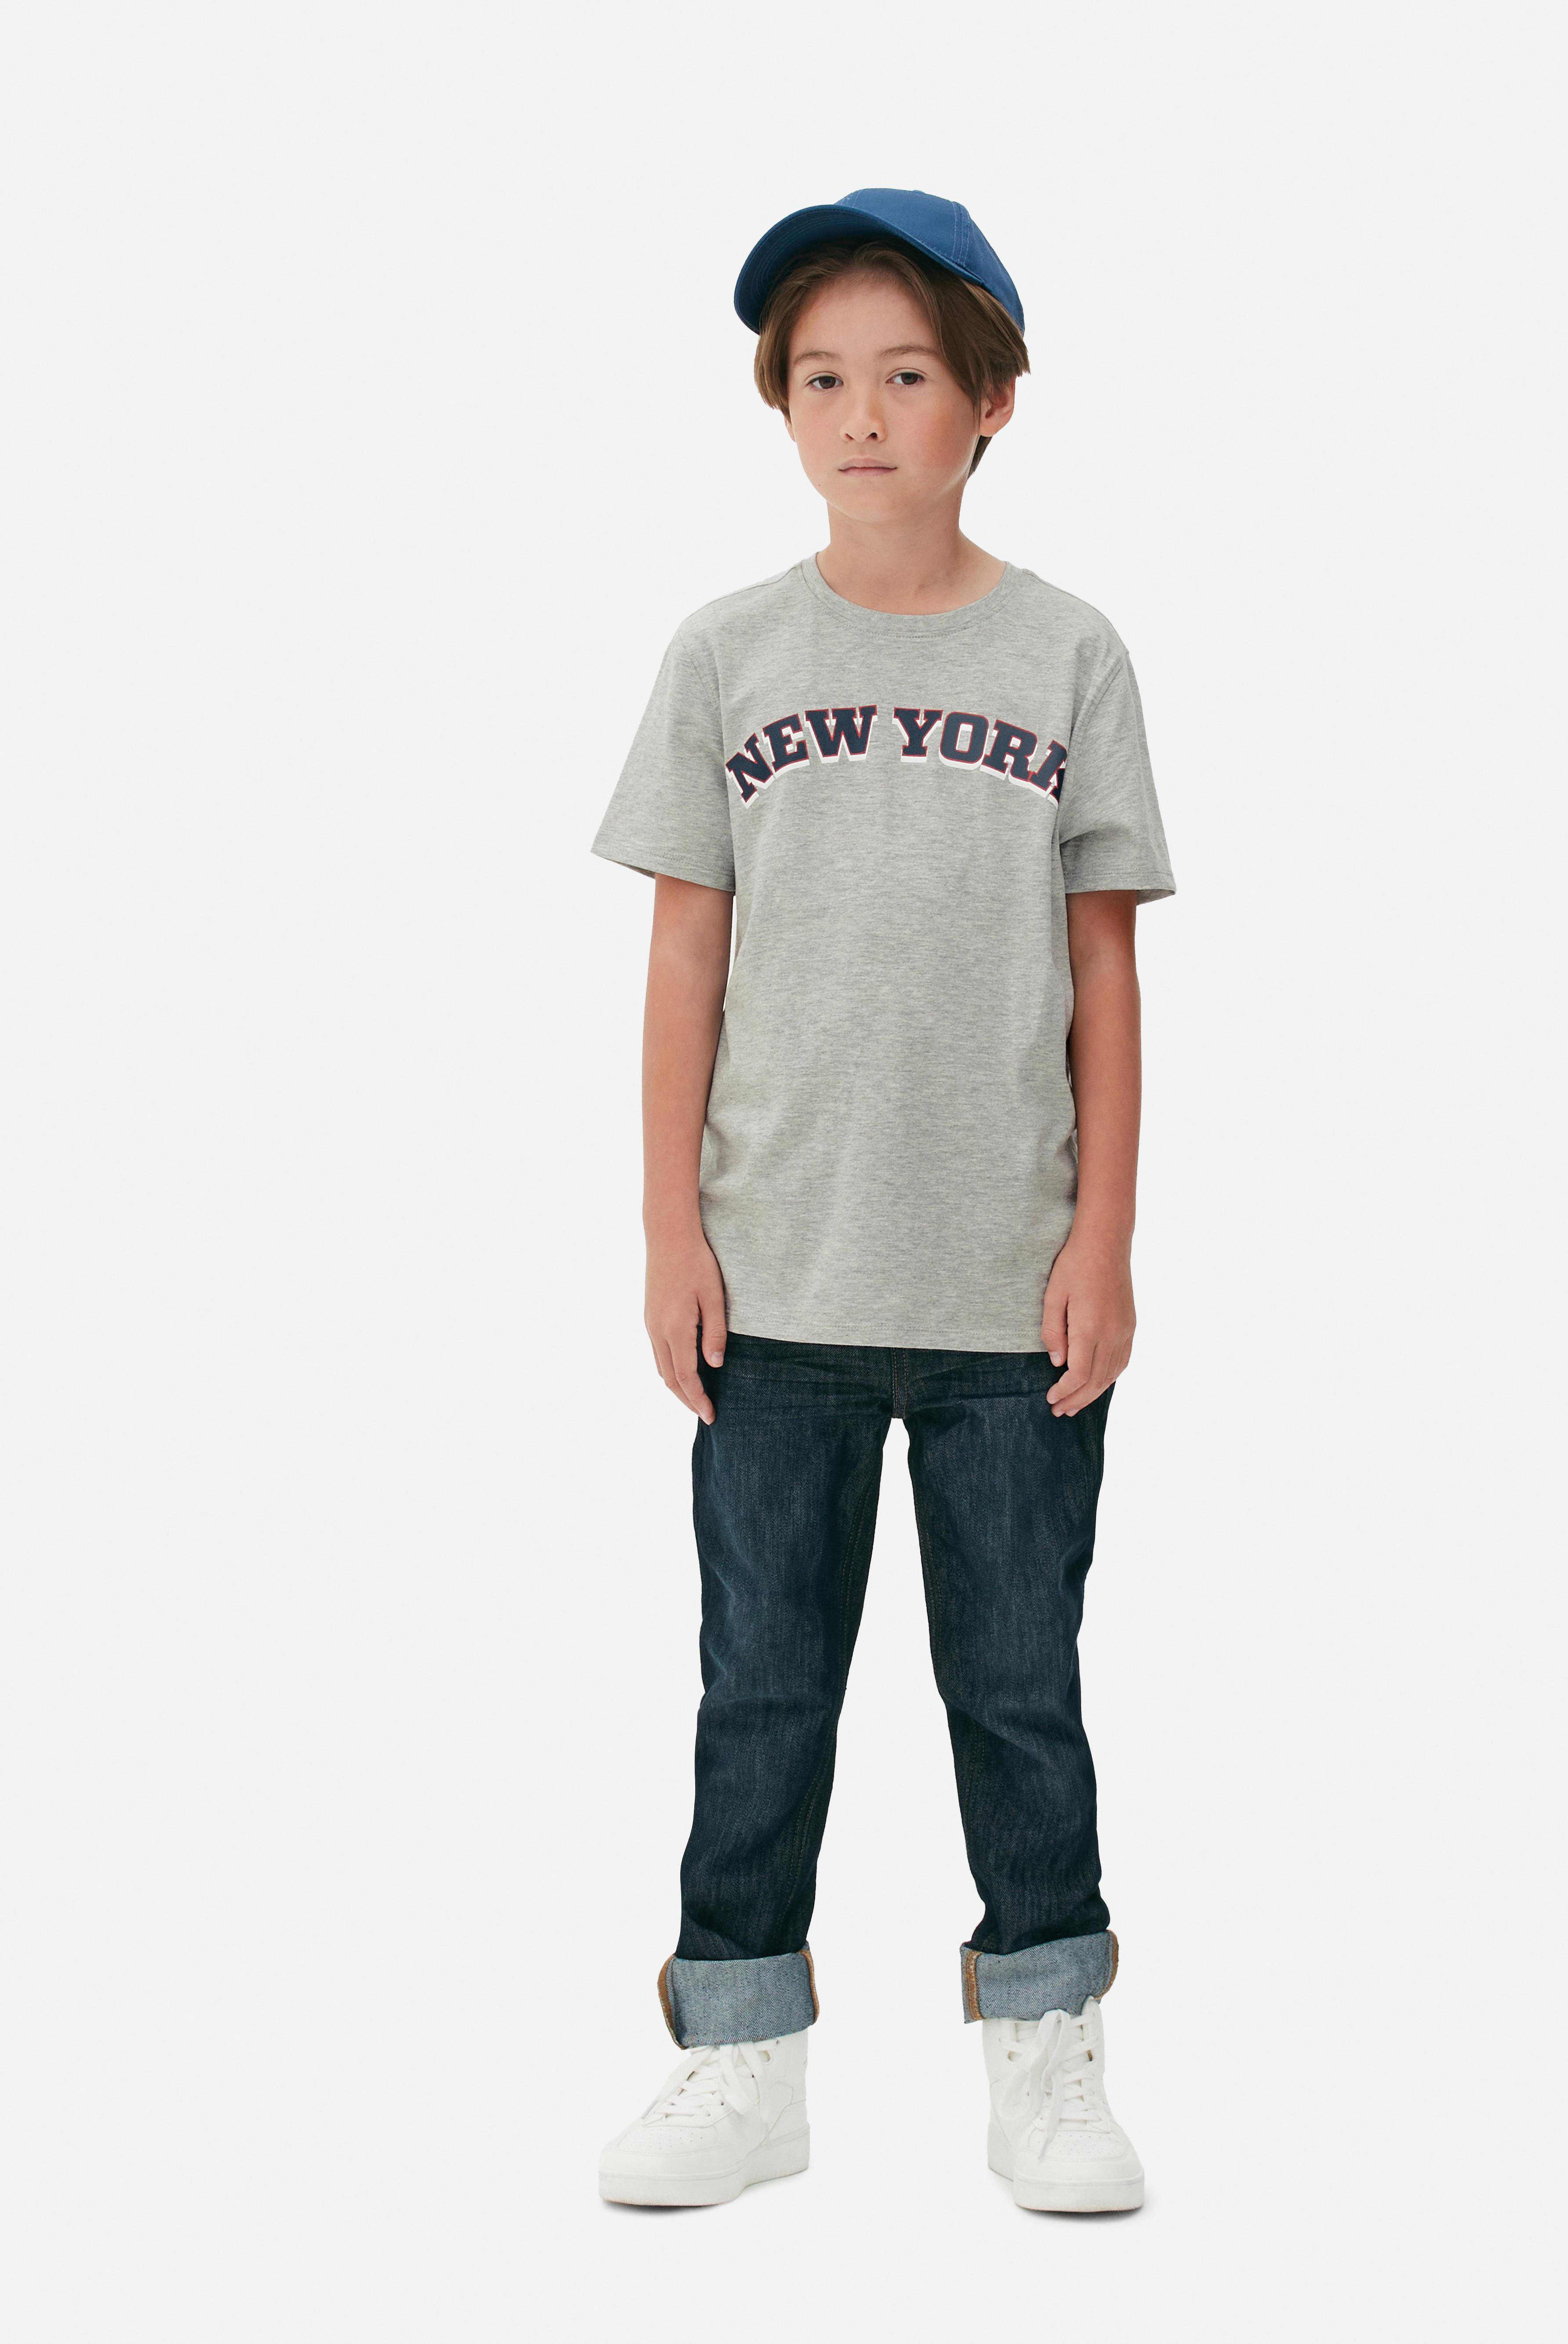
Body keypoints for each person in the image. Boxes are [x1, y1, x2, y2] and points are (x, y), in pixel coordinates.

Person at [590, 189, 1174, 2213]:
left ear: (989, 401)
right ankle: (742, 2055)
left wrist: (1101, 1239)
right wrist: (669, 1229)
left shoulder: (1069, 651)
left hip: (1012, 1289)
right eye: (822, 377)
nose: (859, 414)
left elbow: (1103, 964)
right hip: (778, 1284)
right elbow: (684, 951)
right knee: (761, 1686)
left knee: (1018, 1682)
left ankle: (1047, 2050)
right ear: (782, 405)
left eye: (906, 374)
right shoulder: (728, 653)